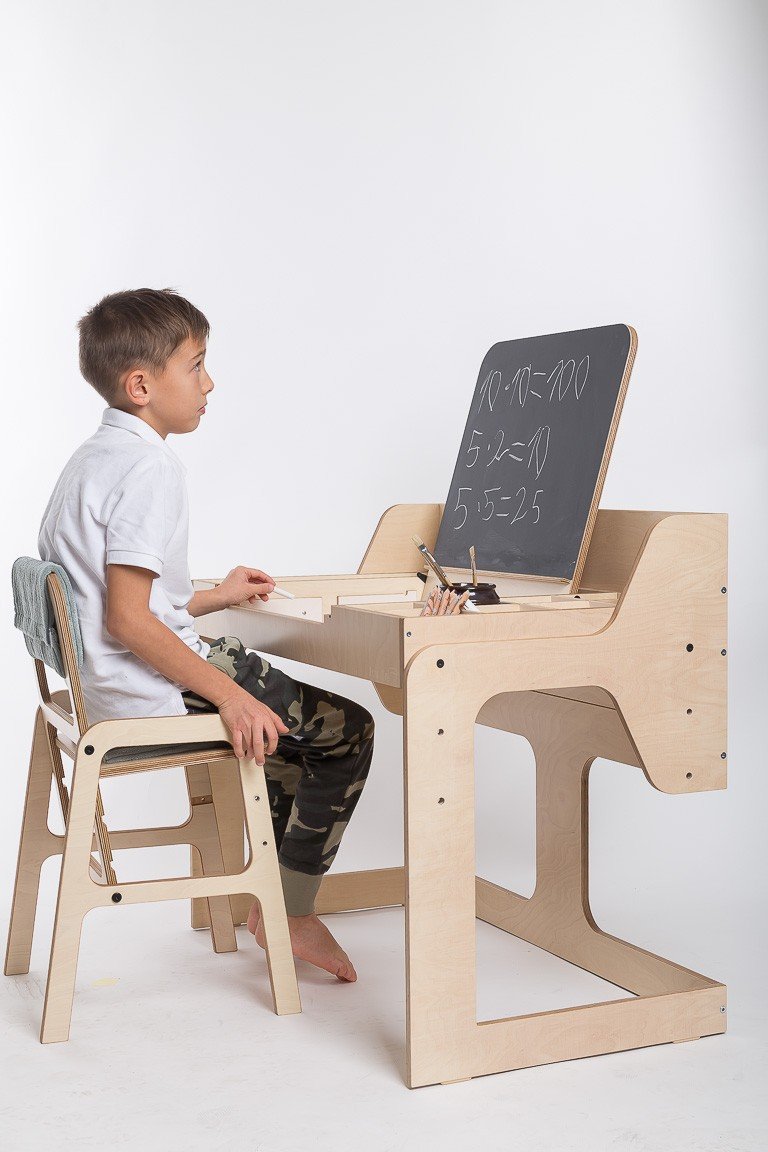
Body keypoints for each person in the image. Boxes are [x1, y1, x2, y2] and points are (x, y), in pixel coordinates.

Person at [38, 287, 379, 983]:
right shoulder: (150, 467)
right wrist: (229, 697)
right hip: (147, 690)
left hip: (104, 686)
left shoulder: (91, 460)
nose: (209, 382)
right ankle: (291, 910)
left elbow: (125, 600)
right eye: (195, 366)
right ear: (141, 385)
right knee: (348, 733)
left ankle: (276, 900)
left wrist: (215, 596)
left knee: (288, 729)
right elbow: (127, 619)